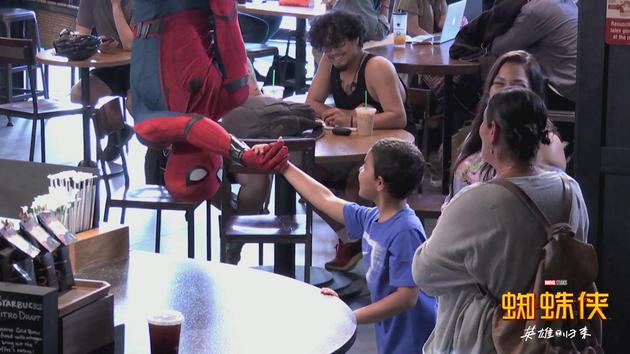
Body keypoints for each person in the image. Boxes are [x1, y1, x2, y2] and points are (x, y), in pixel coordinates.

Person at [412, 87, 589, 353]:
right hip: (553, 334)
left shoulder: (476, 201)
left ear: (492, 131)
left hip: (488, 339)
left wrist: (448, 217)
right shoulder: (569, 190)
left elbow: (424, 273)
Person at [279, 138, 436, 354]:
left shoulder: (405, 231)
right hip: (392, 329)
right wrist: (284, 166)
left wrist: (350, 316)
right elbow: (325, 199)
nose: (359, 171)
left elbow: (407, 297)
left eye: (365, 166)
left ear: (380, 183)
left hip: (413, 337)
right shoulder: (372, 217)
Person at [306, 11, 409, 271]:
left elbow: (399, 117)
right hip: (349, 147)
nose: (332, 52)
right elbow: (312, 101)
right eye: (327, 46)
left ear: (355, 40)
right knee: (304, 174)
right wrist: (330, 114)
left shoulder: (376, 68)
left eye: (338, 44)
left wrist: (350, 117)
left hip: (388, 152)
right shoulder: (329, 64)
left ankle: (355, 241)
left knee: (358, 180)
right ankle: (350, 238)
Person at [450, 50, 566, 197]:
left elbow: (547, 196)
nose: (506, 92)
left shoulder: (546, 142)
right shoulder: (479, 131)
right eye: (499, 83)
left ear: (533, 94)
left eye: (517, 86)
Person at [71, 0, 135, 161]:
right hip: (110, 66)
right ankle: (117, 130)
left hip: (138, 65)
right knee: (79, 94)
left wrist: (116, 6)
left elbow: (130, 44)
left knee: (133, 104)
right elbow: (81, 37)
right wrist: (98, 44)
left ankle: (162, 152)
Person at [491, 0, 578, 107]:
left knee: (502, 82)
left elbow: (499, 48)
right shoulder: (568, 4)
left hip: (564, 92)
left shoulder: (537, 9)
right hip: (580, 87)